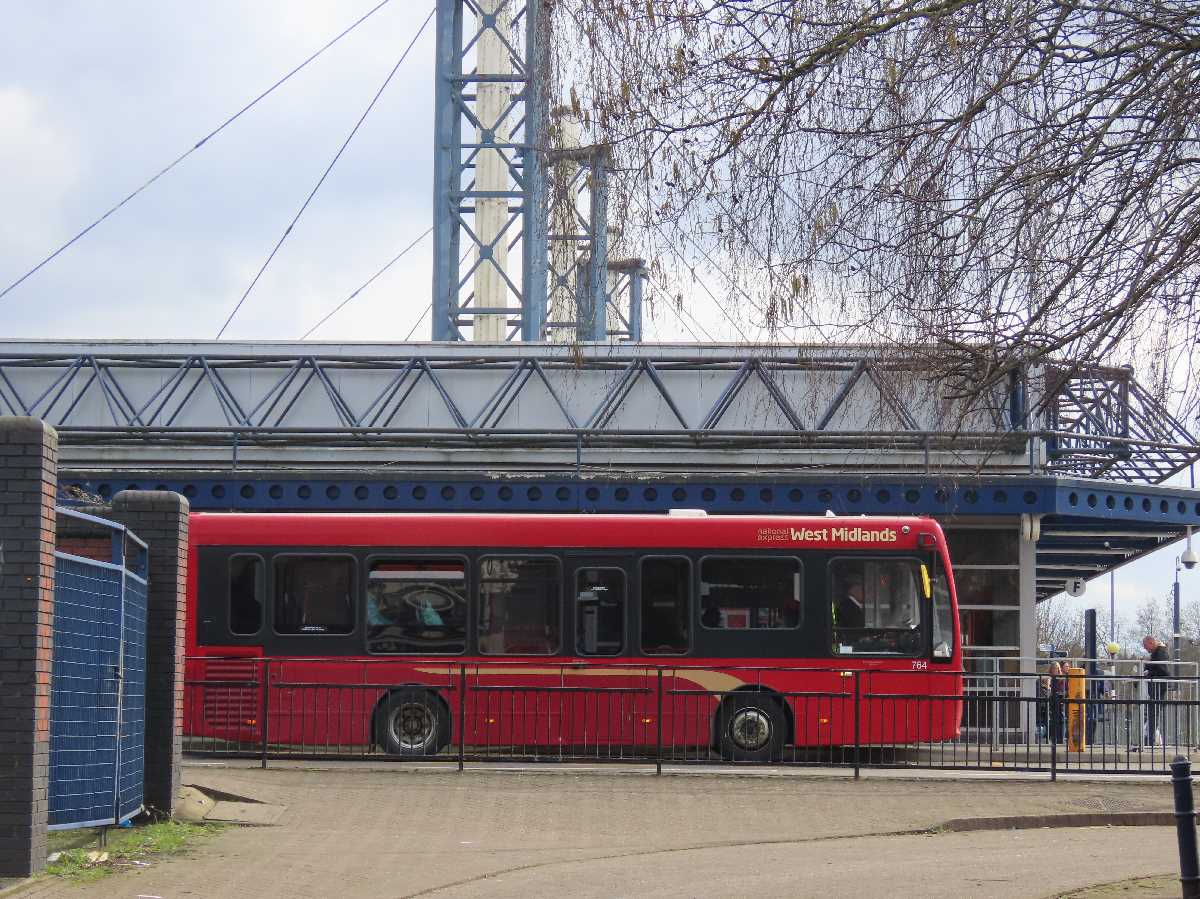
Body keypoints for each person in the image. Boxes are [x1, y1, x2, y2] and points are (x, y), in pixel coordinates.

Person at [1142, 635, 1170, 747]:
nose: (1145, 649)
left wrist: (1148, 669)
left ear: (1151, 643)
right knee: (1152, 712)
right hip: (1157, 686)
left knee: (1153, 712)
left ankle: (1151, 739)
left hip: (1158, 686)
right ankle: (1151, 737)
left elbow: (1162, 669)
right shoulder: (1159, 652)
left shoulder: (1160, 653)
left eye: (1145, 646)